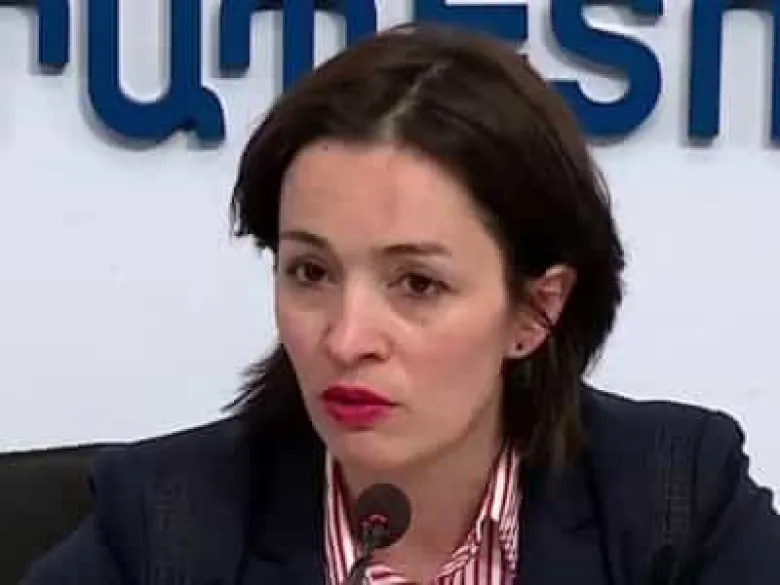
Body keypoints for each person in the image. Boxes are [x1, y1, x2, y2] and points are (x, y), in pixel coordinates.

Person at [21, 22, 780, 585]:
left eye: (418, 283)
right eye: (310, 271)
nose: (347, 338)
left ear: (535, 310)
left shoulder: (679, 501)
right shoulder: (165, 521)